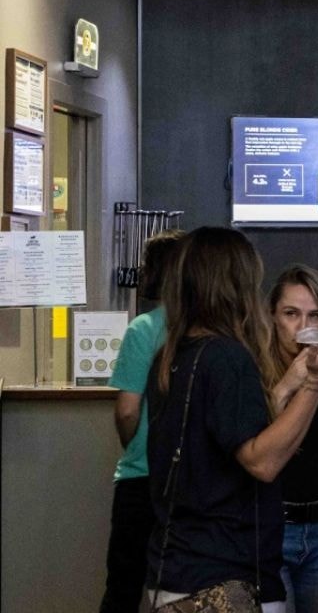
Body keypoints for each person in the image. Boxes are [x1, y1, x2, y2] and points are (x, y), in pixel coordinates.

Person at [144, 227, 318, 612]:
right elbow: (262, 461)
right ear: (235, 287)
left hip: (175, 569)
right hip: (217, 577)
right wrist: (314, 383)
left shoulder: (172, 356)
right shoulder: (229, 358)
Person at [99, 229, 185, 613]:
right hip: (188, 481)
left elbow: (127, 409)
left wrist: (132, 444)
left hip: (141, 477)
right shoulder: (210, 329)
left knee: (124, 586)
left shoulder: (143, 329)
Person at [264, 264, 318, 613]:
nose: (302, 327)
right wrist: (288, 385)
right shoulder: (253, 369)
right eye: (291, 314)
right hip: (270, 531)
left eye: (314, 316)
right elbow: (253, 445)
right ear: (272, 318)